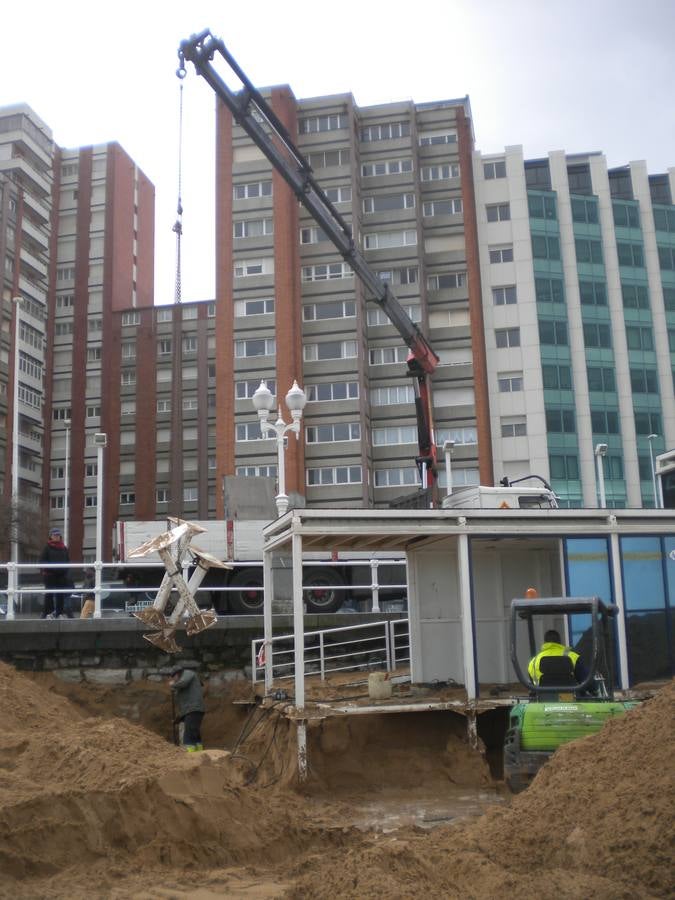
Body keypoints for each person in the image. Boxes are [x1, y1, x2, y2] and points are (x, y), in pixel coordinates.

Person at [169, 665, 205, 751]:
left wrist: (173, 685)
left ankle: (189, 756)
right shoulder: (183, 688)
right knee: (194, 735)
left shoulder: (188, 673)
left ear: (177, 674)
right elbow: (183, 706)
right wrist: (178, 719)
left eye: (174, 677)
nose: (174, 680)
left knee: (188, 737)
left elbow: (183, 682)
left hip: (193, 709)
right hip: (192, 710)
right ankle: (198, 753)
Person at [39, 528, 70, 619]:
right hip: (50, 575)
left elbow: (68, 561)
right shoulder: (47, 547)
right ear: (51, 536)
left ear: (60, 536)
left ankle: (59, 613)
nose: (56, 537)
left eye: (57, 535)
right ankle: (48, 612)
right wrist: (51, 568)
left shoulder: (64, 548)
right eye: (54, 535)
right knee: (49, 594)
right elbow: (42, 561)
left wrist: (65, 570)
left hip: (61, 575)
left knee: (60, 594)